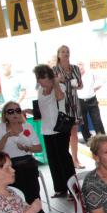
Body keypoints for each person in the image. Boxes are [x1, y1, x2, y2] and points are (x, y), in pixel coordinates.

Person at [0, 101, 43, 204]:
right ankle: (22, 210)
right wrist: (6, 136)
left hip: (27, 162)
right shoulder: (0, 127)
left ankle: (36, 210)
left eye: (18, 111)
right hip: (9, 165)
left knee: (32, 190)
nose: (15, 114)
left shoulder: (27, 126)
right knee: (17, 190)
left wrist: (27, 148)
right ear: (5, 114)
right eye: (11, 111)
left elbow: (39, 148)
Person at [34, 64, 75, 198]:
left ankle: (73, 189)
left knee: (64, 159)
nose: (40, 81)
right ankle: (60, 188)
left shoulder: (59, 86)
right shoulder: (40, 90)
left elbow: (59, 97)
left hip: (59, 128)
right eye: (38, 78)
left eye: (42, 78)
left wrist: (56, 82)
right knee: (53, 161)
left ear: (50, 77)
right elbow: (43, 107)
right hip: (46, 129)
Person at [53, 46, 84, 169]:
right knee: (64, 133)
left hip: (74, 102)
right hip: (62, 103)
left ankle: (75, 159)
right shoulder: (54, 69)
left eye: (67, 52)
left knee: (74, 133)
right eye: (63, 52)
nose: (66, 54)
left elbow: (80, 86)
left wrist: (79, 84)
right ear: (58, 54)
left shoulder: (75, 68)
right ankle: (66, 159)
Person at [78, 62, 106, 142]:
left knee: (97, 120)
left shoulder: (91, 73)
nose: (80, 67)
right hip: (79, 101)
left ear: (83, 65)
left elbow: (103, 79)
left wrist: (96, 87)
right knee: (82, 122)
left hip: (92, 99)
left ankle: (102, 139)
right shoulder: (74, 76)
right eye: (78, 65)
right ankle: (87, 139)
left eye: (81, 64)